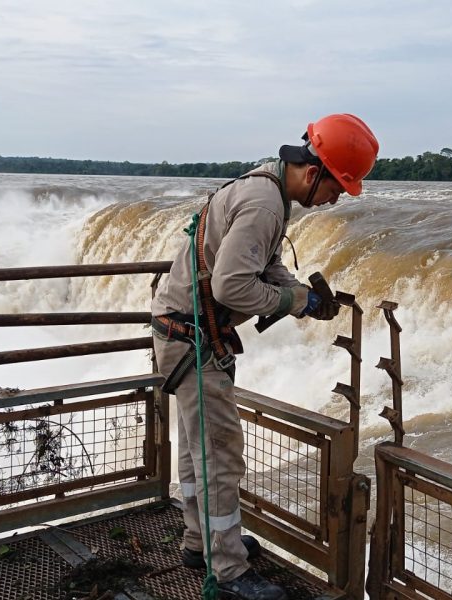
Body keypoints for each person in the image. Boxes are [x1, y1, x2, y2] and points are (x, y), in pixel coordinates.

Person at [151, 114, 378, 600]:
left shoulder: (267, 186)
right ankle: (228, 570)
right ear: (313, 170)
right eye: (337, 186)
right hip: (192, 335)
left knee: (198, 447)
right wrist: (296, 302)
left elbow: (260, 264)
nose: (335, 199)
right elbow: (234, 284)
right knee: (220, 452)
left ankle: (202, 541)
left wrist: (297, 292)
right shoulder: (263, 204)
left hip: (183, 329)